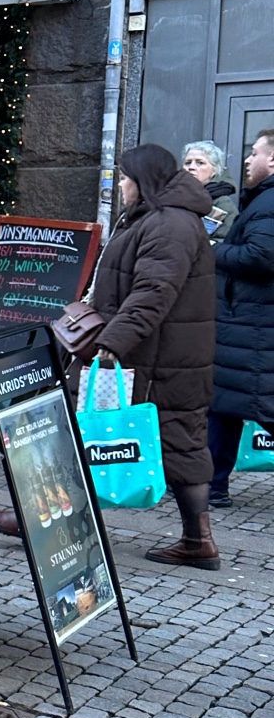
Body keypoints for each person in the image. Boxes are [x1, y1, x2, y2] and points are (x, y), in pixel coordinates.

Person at [91, 144, 219, 568]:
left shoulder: (169, 223)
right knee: (180, 442)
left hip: (158, 358)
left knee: (168, 440)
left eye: (126, 177)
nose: (122, 184)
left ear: (143, 180)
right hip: (159, 354)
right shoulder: (160, 217)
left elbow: (153, 291)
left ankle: (198, 542)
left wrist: (113, 340)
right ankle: (197, 541)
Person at [207, 128, 274, 508]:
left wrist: (214, 250)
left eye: (254, 153)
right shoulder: (263, 199)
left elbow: (260, 258)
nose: (246, 160)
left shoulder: (269, 202)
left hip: (255, 327)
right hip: (246, 325)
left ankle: (211, 485)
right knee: (224, 405)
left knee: (252, 404)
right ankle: (211, 486)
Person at [183, 141, 237, 242]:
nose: (191, 167)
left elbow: (222, 242)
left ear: (214, 171)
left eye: (200, 163)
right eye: (187, 162)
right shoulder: (173, 196)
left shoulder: (222, 203)